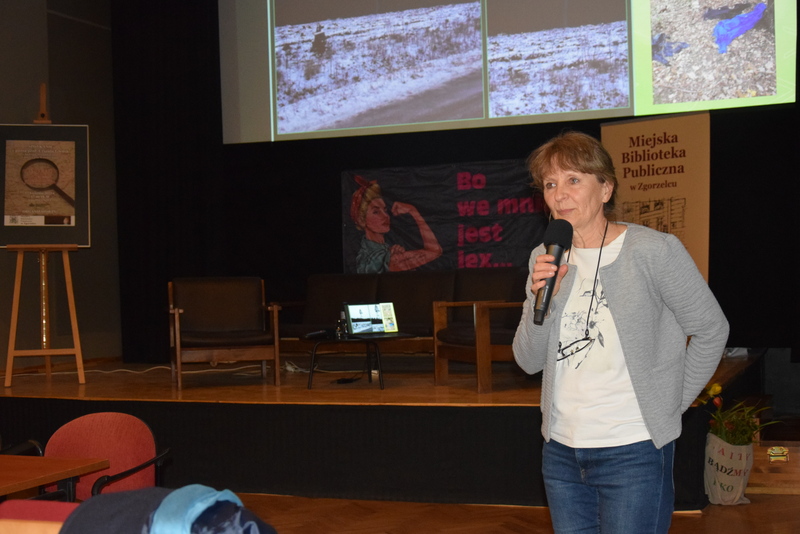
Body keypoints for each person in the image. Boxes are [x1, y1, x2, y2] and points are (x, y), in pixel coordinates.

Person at [513, 131, 729, 533]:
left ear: (606, 187)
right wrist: (545, 295)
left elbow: (711, 329)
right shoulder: (543, 258)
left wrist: (670, 404)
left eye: (574, 180)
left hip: (633, 449)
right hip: (560, 450)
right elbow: (527, 361)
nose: (560, 195)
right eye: (550, 184)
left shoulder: (653, 251)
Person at [350, 176, 442, 273]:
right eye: (376, 212)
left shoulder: (384, 251)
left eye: (385, 210)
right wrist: (413, 211)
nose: (385, 216)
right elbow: (434, 251)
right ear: (362, 220)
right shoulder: (375, 258)